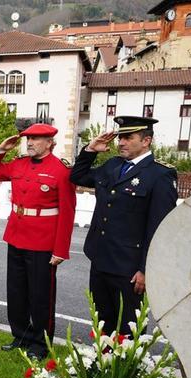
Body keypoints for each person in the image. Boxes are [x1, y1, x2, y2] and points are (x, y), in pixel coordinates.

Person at [70, 116, 177, 335]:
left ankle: (126, 360)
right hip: (101, 259)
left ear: (146, 141)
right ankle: (103, 358)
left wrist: (146, 269)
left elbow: (159, 229)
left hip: (130, 268)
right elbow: (78, 176)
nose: (121, 142)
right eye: (120, 138)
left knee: (128, 328)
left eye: (128, 138)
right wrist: (90, 150)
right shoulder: (113, 165)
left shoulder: (160, 174)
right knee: (102, 324)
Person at [0, 124, 76, 359]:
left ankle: (40, 344)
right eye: (28, 139)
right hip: (16, 235)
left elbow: (67, 213)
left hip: (43, 241)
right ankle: (21, 336)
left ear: (50, 143)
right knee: (16, 292)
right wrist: (1, 150)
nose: (30, 143)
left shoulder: (61, 170)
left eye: (35, 139)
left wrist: (60, 249)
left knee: (40, 296)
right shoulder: (19, 164)